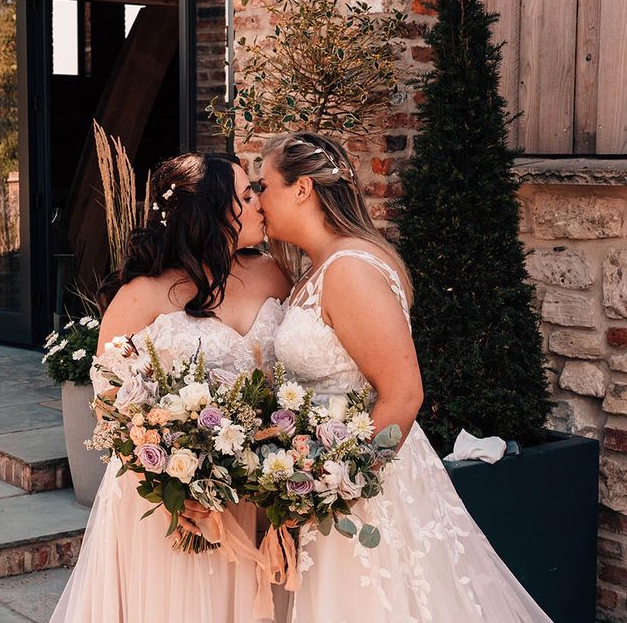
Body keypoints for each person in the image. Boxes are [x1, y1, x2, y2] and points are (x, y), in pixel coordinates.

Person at [257, 132, 553, 623]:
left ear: (302, 189)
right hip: (322, 472)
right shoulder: (318, 268)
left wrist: (338, 487)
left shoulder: (350, 269)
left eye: (263, 185)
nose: (257, 199)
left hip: (359, 485)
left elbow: (403, 394)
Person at [50, 152, 290, 623]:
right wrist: (169, 484)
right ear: (212, 214)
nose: (258, 202)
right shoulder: (141, 295)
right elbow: (110, 403)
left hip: (250, 493)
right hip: (170, 501)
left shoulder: (273, 274)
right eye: (245, 195)